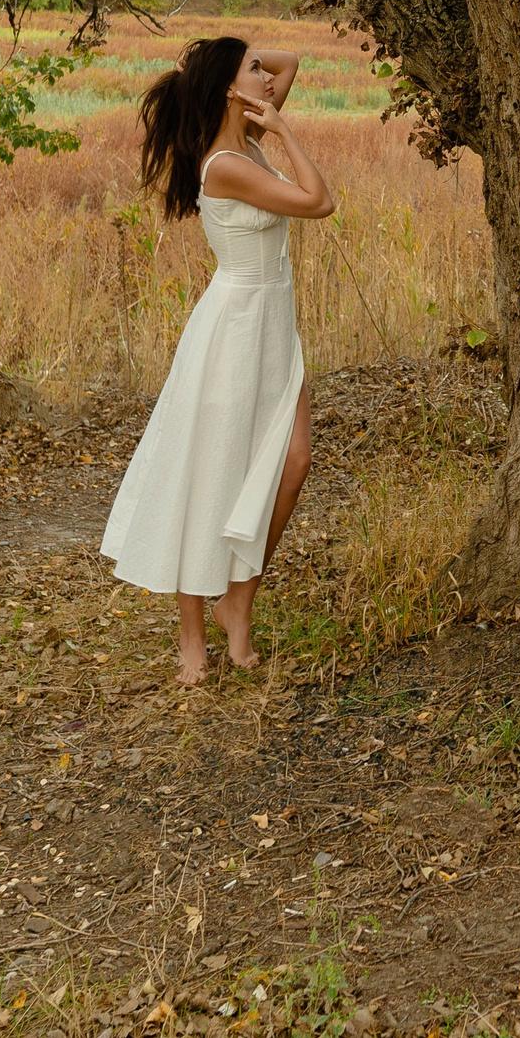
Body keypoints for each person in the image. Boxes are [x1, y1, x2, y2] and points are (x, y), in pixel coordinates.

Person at [100, 36, 336, 683]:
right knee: (209, 476)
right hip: (231, 328)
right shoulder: (227, 162)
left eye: (260, 72)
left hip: (273, 326)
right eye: (251, 70)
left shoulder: (248, 134)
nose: (268, 77)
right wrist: (282, 126)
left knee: (294, 462)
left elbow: (292, 62)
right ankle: (190, 636)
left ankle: (239, 598)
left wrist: (235, 60)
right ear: (232, 88)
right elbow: (319, 201)